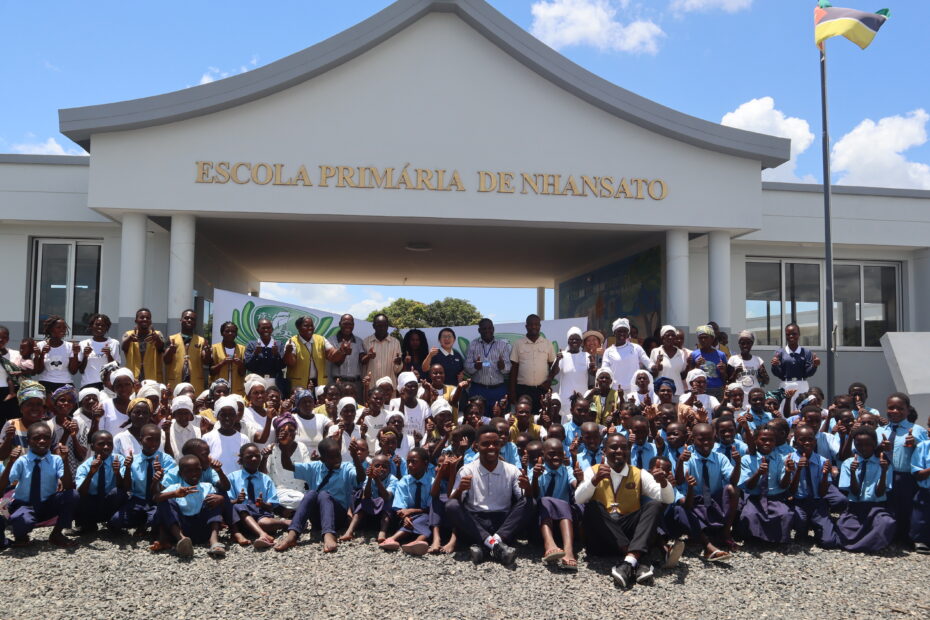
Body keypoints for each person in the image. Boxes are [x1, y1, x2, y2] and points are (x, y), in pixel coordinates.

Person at [574, 433, 673, 587]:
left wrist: (664, 483)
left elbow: (668, 499)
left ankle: (629, 561)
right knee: (593, 507)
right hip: (602, 539)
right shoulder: (593, 471)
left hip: (627, 530)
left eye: (624, 447)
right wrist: (595, 481)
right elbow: (578, 499)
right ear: (604, 451)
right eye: (613, 447)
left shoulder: (639, 474)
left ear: (629, 451)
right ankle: (635, 561)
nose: (619, 450)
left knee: (654, 505)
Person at [445, 424, 530, 566]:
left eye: (495, 443)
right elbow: (452, 502)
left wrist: (527, 488)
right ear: (476, 446)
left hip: (503, 523)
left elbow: (522, 499)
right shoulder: (467, 470)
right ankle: (497, 547)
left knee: (530, 502)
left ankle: (486, 546)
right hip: (475, 522)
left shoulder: (512, 470)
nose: (491, 447)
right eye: (486, 444)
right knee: (451, 505)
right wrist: (460, 489)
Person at [273, 436, 366, 553]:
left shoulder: (346, 468)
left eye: (338, 455)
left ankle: (329, 534)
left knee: (323, 494)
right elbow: (288, 465)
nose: (337, 459)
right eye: (332, 457)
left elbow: (361, 478)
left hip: (338, 518)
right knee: (311, 493)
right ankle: (292, 535)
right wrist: (284, 447)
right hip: (317, 519)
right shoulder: (315, 467)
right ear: (322, 459)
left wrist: (355, 458)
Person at [670, 423, 739, 561]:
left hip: (713, 501)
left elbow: (733, 480)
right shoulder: (687, 455)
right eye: (701, 439)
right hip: (693, 501)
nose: (706, 443)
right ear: (692, 439)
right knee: (680, 507)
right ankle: (707, 545)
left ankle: (725, 533)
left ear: (715, 438)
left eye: (710, 439)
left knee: (733, 490)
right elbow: (679, 480)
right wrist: (680, 462)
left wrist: (737, 463)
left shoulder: (720, 458)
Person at [7, 422, 79, 547]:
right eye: (36, 438)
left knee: (73, 495)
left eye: (46, 438)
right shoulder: (21, 461)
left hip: (47, 504)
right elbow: (6, 483)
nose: (42, 441)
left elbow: (67, 485)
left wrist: (65, 460)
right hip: (25, 505)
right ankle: (22, 536)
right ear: (28, 441)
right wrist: (10, 463)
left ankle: (56, 534)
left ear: (51, 441)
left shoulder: (56, 460)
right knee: (22, 522)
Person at [152, 454, 225, 558]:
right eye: (189, 471)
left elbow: (223, 492)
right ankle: (182, 540)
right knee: (165, 500)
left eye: (197, 470)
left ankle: (214, 541)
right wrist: (175, 494)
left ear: (201, 470)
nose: (194, 473)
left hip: (202, 529)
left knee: (215, 499)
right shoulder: (176, 487)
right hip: (182, 528)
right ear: (181, 474)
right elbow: (156, 498)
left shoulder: (207, 486)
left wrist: (220, 499)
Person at [109, 424, 177, 536]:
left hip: (157, 501)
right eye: (149, 440)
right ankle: (143, 523)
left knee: (158, 518)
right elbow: (126, 487)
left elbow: (169, 486)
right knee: (115, 521)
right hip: (138, 500)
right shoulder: (133, 460)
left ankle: (146, 524)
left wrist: (159, 478)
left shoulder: (167, 460)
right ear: (141, 440)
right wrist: (127, 468)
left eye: (157, 440)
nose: (154, 444)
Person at [836, 427, 895, 552]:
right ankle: (867, 543)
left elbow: (879, 493)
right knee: (843, 526)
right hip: (855, 507)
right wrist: (853, 473)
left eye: (868, 444)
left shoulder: (884, 463)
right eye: (859, 444)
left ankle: (866, 544)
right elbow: (855, 492)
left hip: (876, 507)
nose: (863, 448)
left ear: (874, 444)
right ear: (854, 444)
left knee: (886, 523)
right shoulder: (848, 463)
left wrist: (884, 472)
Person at [877, 392, 927, 540]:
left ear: (907, 409)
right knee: (888, 505)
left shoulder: (917, 430)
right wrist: (880, 448)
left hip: (906, 476)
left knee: (907, 506)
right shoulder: (880, 430)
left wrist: (916, 444)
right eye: (891, 408)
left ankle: (907, 537)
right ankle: (890, 535)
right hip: (885, 475)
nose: (895, 411)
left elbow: (926, 453)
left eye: (900, 408)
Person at [529, 437, 584, 571]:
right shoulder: (536, 471)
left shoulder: (567, 470)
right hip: (542, 522)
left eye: (560, 453)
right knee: (545, 500)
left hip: (564, 522)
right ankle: (549, 544)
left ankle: (568, 551)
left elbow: (575, 485)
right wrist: (535, 478)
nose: (556, 457)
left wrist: (579, 479)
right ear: (543, 454)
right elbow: (534, 495)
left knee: (562, 504)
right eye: (552, 453)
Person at [737, 424, 793, 544]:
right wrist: (758, 473)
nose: (767, 443)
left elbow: (783, 485)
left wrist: (788, 473)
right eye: (763, 440)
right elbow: (749, 486)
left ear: (775, 442)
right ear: (756, 441)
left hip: (774, 497)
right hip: (755, 497)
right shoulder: (747, 459)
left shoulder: (780, 459)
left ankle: (776, 540)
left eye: (771, 440)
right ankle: (755, 539)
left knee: (785, 514)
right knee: (750, 515)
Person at [787, 425, 839, 548]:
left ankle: (819, 528)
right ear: (795, 443)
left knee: (829, 542)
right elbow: (791, 491)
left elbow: (822, 493)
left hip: (817, 502)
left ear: (815, 442)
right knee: (800, 524)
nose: (807, 442)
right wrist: (798, 470)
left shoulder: (823, 461)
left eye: (810, 439)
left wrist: (825, 476)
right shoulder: (789, 460)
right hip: (798, 502)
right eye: (802, 439)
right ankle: (802, 530)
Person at [226, 443, 285, 549]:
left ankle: (290, 523)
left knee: (264, 523)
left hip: (261, 514)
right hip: (241, 517)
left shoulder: (265, 479)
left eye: (257, 456)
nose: (254, 459)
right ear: (241, 459)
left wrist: (262, 503)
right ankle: (263, 534)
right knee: (239, 506)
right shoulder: (232, 477)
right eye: (249, 457)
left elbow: (273, 505)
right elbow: (227, 504)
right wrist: (237, 500)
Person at [379, 447, 435, 555]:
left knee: (426, 518)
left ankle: (412, 540)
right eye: (408, 462)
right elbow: (400, 506)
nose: (409, 465)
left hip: (425, 515)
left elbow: (430, 507)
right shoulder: (404, 481)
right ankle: (415, 540)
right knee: (414, 520)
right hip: (405, 518)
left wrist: (412, 511)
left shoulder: (432, 483)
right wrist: (405, 516)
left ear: (425, 464)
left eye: (414, 462)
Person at [73, 430, 128, 533]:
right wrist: (91, 473)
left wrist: (117, 473)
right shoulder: (84, 466)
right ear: (93, 447)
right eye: (101, 444)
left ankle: (113, 523)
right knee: (76, 495)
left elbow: (124, 487)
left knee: (118, 492)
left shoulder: (118, 460)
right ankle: (87, 524)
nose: (106, 447)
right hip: (92, 504)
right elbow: (81, 492)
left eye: (109, 444)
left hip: (110, 502)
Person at [341, 453, 397, 543]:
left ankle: (382, 532)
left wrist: (377, 479)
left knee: (385, 502)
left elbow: (386, 496)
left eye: (384, 466)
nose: (380, 469)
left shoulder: (392, 479)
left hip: (385, 513)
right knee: (363, 503)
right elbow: (366, 495)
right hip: (370, 511)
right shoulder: (368, 477)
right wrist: (371, 479)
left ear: (389, 469)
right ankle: (350, 531)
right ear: (372, 467)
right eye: (377, 466)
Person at [465, 318, 512, 417]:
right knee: (477, 418)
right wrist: (475, 366)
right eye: (484, 328)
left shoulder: (502, 345)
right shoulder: (473, 344)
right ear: (479, 330)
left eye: (489, 328)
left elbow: (508, 368)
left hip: (498, 390)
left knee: (499, 418)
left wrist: (503, 367)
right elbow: (467, 367)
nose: (487, 331)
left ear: (493, 329)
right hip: (478, 389)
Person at [509, 314, 556, 412]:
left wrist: (549, 381)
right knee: (524, 418)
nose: (533, 327)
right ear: (526, 326)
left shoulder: (548, 344)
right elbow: (514, 369)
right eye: (530, 324)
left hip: (542, 389)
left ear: (540, 326)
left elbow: (554, 366)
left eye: (536, 324)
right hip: (523, 390)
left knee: (542, 417)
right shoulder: (518, 344)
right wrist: (512, 391)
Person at [770, 323, 819, 412]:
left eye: (794, 334)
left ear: (799, 335)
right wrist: (774, 365)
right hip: (786, 385)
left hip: (802, 385)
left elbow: (808, 373)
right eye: (788, 334)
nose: (791, 336)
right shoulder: (779, 352)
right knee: (785, 412)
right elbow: (778, 373)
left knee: (804, 410)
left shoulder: (806, 352)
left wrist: (814, 366)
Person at [600, 318, 650, 394]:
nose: (622, 333)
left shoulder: (636, 348)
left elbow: (648, 362)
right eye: (619, 331)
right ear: (614, 333)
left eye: (625, 331)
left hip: (634, 390)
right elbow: (604, 370)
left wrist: (654, 367)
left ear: (628, 334)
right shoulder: (608, 351)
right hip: (615, 390)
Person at [203, 396, 250, 474]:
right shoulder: (207, 438)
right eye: (223, 415)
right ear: (217, 417)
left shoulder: (244, 439)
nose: (227, 418)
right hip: (215, 483)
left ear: (236, 416)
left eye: (231, 415)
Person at [74, 313, 120, 390]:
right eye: (97, 324)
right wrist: (85, 356)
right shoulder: (83, 343)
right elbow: (81, 370)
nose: (100, 327)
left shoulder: (114, 343)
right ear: (91, 326)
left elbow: (116, 368)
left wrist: (109, 355)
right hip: (88, 384)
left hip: (107, 385)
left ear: (107, 328)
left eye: (103, 325)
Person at [549, 326, 594, 405]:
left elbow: (592, 373)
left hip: (582, 398)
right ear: (568, 341)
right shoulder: (562, 355)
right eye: (571, 339)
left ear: (581, 342)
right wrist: (558, 360)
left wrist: (592, 367)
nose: (574, 341)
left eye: (577, 339)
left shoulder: (586, 356)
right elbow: (553, 373)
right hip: (565, 399)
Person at [165, 309, 207, 392]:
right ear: (181, 320)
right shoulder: (171, 339)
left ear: (195, 322)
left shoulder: (202, 341)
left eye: (192, 319)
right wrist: (170, 351)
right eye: (186, 318)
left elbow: (206, 361)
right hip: (176, 382)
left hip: (195, 383)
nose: (189, 320)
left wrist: (207, 352)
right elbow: (166, 361)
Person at [121, 308, 165, 384]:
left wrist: (157, 339)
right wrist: (130, 339)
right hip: (134, 376)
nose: (145, 319)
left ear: (150, 321)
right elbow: (124, 348)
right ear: (136, 320)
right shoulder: (128, 334)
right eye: (142, 317)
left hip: (152, 376)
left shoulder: (157, 334)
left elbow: (161, 349)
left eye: (147, 318)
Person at [326, 314, 366, 396]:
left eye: (350, 324)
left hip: (356, 383)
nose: (348, 326)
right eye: (345, 323)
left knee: (356, 407)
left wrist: (369, 355)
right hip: (338, 383)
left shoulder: (359, 341)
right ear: (340, 324)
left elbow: (362, 360)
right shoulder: (331, 341)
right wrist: (343, 352)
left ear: (353, 325)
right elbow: (336, 362)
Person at [32, 315, 75, 392]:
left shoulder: (69, 346)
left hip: (65, 383)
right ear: (51, 330)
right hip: (46, 383)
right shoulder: (40, 345)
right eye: (59, 327)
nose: (63, 330)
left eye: (64, 327)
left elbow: (73, 371)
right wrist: (42, 354)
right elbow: (38, 371)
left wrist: (76, 353)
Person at [687, 325, 728, 401]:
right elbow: (690, 375)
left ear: (712, 338)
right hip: (700, 390)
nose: (703, 340)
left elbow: (725, 377)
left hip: (717, 389)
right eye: (700, 338)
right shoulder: (694, 354)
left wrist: (722, 371)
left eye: (706, 337)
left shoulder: (721, 355)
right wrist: (697, 366)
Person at [361, 314, 403, 388]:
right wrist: (368, 356)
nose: (382, 328)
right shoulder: (366, 342)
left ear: (387, 326)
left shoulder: (395, 342)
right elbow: (362, 363)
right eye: (379, 325)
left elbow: (397, 370)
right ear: (373, 326)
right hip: (371, 387)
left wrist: (398, 363)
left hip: (389, 388)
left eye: (384, 325)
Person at [208, 322, 246, 396]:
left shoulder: (242, 349)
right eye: (227, 331)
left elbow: (243, 373)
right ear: (222, 333)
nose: (230, 333)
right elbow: (211, 371)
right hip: (220, 391)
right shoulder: (214, 348)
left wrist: (240, 364)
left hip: (237, 390)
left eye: (233, 331)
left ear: (236, 334)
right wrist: (222, 363)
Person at [649, 325, 687, 396]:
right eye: (668, 335)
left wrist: (690, 364)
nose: (670, 337)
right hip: (661, 392)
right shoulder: (655, 351)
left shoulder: (681, 353)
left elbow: (683, 375)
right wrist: (658, 363)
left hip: (678, 391)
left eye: (673, 335)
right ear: (662, 337)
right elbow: (653, 374)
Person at [727, 330, 768, 395]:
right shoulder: (733, 359)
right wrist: (736, 372)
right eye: (742, 343)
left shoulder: (758, 360)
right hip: (739, 396)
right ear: (739, 344)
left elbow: (766, 381)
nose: (745, 346)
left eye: (748, 343)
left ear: (752, 344)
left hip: (754, 396)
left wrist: (763, 375)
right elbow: (728, 382)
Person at [910, 432, 930, 553]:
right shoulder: (923, 446)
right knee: (922, 515)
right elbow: (918, 474)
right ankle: (920, 540)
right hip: (927, 491)